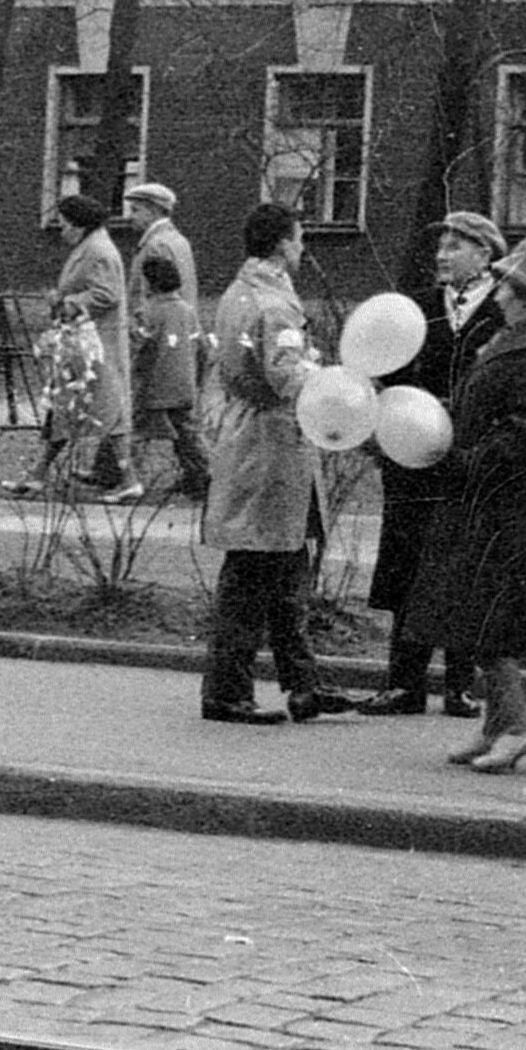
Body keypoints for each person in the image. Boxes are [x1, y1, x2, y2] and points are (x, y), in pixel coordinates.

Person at [404, 234, 526, 773]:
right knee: (478, 614)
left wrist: (460, 458)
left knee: (488, 619)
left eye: (506, 284)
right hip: (494, 501)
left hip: (511, 506)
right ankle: (496, 727)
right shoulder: (521, 339)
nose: (498, 292)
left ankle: (520, 728)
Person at [356, 211, 510, 716]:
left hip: (469, 457)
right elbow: (389, 371)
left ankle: (460, 683)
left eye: (455, 246)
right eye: (441, 246)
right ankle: (404, 681)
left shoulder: (503, 310)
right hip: (413, 456)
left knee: (466, 564)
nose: (443, 256)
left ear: (485, 254)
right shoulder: (418, 308)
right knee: (409, 564)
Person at [199, 202, 347, 725]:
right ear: (283, 244)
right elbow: (287, 375)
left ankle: (304, 684)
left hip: (251, 439)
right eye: (299, 239)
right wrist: (335, 381)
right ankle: (227, 692)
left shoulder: (237, 293)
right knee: (256, 572)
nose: (302, 248)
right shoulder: (276, 305)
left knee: (285, 569)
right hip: (273, 447)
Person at [43, 193, 133, 494]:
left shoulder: (98, 251)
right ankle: (37, 472)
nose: (61, 231)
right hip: (85, 342)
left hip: (96, 343)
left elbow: (106, 294)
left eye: (64, 224)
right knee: (72, 406)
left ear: (79, 225)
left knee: (100, 408)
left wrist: (68, 302)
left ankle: (130, 480)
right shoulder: (91, 246)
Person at [120, 250, 210, 502]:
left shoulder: (147, 313)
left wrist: (131, 376)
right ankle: (200, 477)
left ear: (151, 284)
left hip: (153, 388)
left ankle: (122, 477)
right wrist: (197, 379)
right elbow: (202, 348)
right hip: (184, 387)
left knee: (134, 432)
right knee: (187, 436)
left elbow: (136, 349)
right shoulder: (188, 311)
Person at [120, 180, 198, 315]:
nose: (130, 217)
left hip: (158, 323)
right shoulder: (179, 240)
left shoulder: (155, 245)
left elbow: (149, 295)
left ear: (153, 211)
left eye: (135, 210)